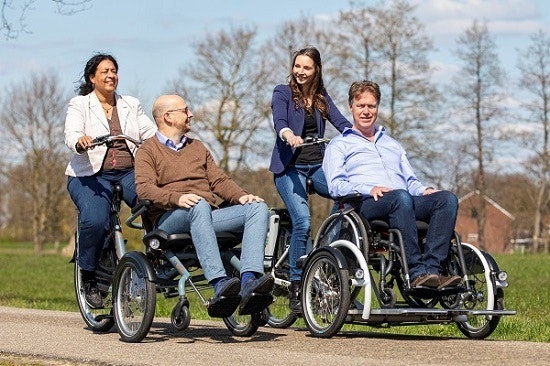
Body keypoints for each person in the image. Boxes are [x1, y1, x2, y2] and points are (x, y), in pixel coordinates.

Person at [135, 94, 274, 318]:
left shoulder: (197, 147)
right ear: (168, 117)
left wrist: (242, 196)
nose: (191, 114)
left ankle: (249, 281)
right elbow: (144, 189)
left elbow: (218, 181)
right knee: (198, 204)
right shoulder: (147, 151)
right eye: (185, 110)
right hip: (170, 219)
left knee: (258, 208)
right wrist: (176, 198)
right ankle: (219, 283)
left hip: (204, 214)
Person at [323, 80, 461, 289]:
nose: (366, 111)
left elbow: (410, 180)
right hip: (366, 203)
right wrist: (368, 189)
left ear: (378, 107)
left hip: (403, 200)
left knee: (446, 199)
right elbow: (335, 186)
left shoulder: (392, 144)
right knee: (400, 197)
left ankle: (432, 271)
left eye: (371, 106)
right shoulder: (340, 144)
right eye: (361, 106)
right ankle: (415, 273)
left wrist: (425, 190)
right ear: (351, 107)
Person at [65, 53, 157, 308]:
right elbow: (71, 133)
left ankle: (156, 252)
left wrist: (166, 139)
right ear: (92, 78)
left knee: (154, 202)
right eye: (105, 71)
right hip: (90, 176)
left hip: (129, 173)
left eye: (114, 70)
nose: (111, 75)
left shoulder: (130, 103)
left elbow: (149, 133)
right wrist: (80, 141)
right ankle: (89, 275)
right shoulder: (80, 105)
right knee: (94, 220)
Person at [269, 46, 352, 313]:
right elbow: (279, 120)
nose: (300, 72)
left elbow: (341, 122)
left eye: (306, 67)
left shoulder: (321, 97)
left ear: (316, 70)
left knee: (346, 197)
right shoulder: (282, 92)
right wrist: (287, 135)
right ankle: (296, 284)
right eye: (297, 66)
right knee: (302, 221)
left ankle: (323, 252)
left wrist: (360, 137)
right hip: (290, 167)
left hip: (318, 164)